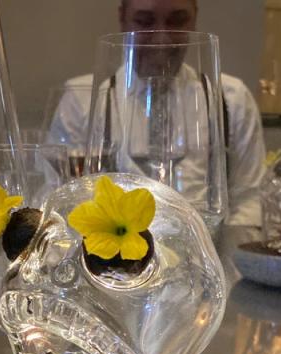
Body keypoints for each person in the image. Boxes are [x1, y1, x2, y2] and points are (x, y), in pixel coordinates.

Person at [48, 0, 265, 227]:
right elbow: (58, 199)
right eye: (144, 22)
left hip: (209, 257)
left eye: (177, 21)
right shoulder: (82, 100)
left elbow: (250, 201)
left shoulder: (231, 99)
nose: (162, 39)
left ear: (194, 19)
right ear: (123, 19)